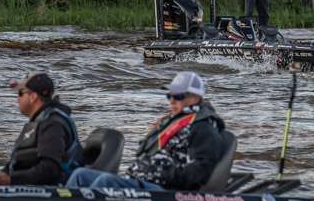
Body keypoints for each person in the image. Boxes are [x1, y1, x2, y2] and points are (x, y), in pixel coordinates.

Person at [66, 71, 225, 191]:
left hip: (166, 191)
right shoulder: (173, 123)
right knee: (80, 175)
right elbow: (141, 155)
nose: (171, 101)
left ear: (195, 98)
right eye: (169, 96)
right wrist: (152, 133)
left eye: (178, 96)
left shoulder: (204, 128)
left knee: (106, 183)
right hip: (142, 180)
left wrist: (159, 173)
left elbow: (199, 173)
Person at [0, 72, 84, 185]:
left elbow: (49, 170)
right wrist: (3, 174)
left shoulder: (52, 124)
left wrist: (12, 180)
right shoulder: (38, 122)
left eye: (21, 94)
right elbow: (19, 159)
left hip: (53, 194)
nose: (17, 99)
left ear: (33, 97)